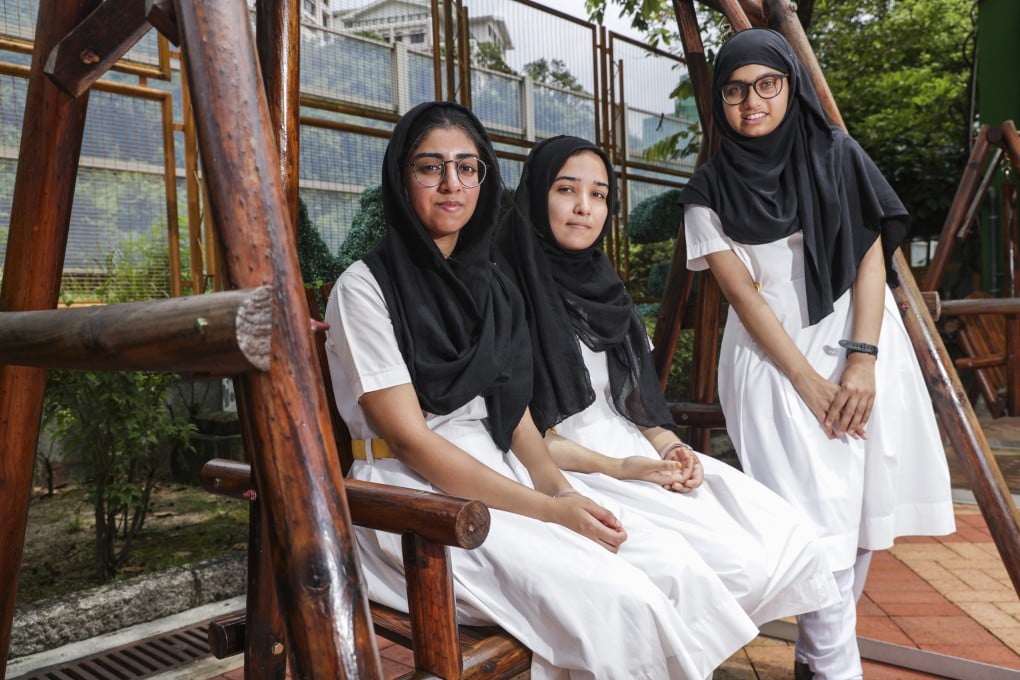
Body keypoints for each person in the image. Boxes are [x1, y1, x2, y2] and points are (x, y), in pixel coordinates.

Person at [324, 100, 761, 679]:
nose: (452, 183)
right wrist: (550, 510)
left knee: (669, 565)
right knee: (618, 603)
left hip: (502, 475)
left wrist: (561, 493)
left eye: (468, 167)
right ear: (402, 179)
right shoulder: (364, 288)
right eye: (430, 167)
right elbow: (411, 441)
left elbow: (514, 417)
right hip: (416, 504)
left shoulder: (492, 285)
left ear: (485, 178)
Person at [676, 28, 956, 680]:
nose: (751, 103)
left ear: (789, 86)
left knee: (857, 523)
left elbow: (868, 261)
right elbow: (744, 298)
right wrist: (805, 380)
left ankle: (815, 659)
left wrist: (860, 359)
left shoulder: (838, 154)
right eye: (735, 90)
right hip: (776, 367)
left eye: (766, 85)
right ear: (718, 100)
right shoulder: (708, 189)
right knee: (816, 532)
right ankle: (835, 668)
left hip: (865, 345)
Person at [495, 134, 839, 630]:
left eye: (598, 195)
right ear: (534, 196)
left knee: (784, 536)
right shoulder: (503, 290)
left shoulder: (606, 288)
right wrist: (621, 468)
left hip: (635, 452)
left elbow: (640, 408)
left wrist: (673, 449)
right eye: (566, 190)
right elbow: (521, 433)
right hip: (564, 465)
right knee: (722, 568)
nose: (583, 208)